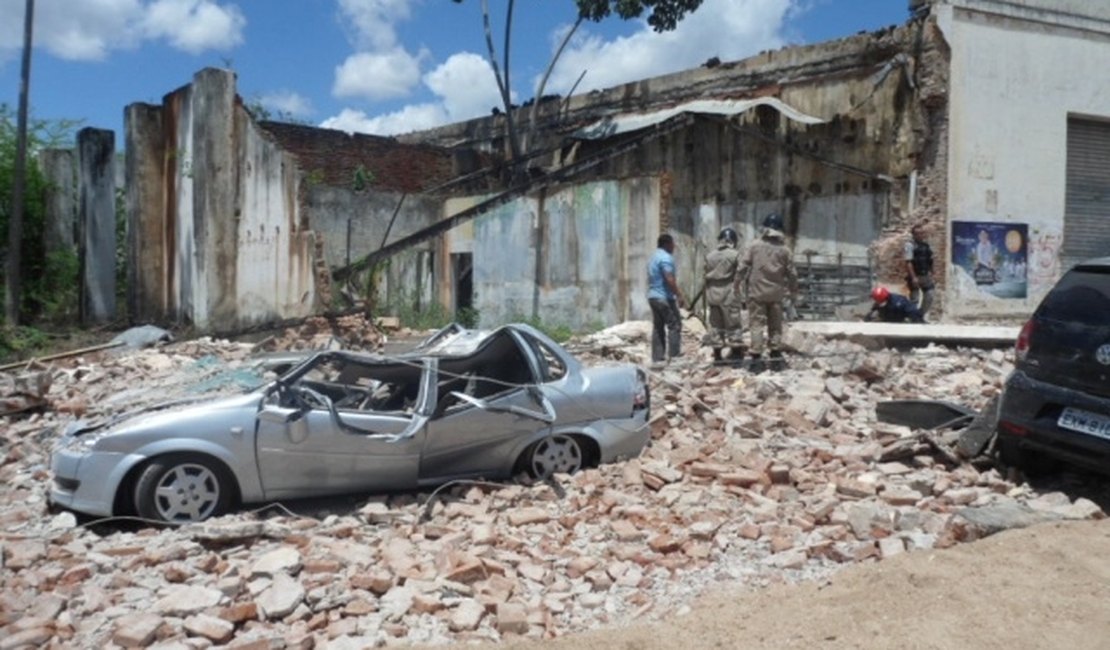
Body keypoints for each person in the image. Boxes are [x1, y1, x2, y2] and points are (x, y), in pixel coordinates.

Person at [737, 214, 797, 373]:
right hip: (776, 294)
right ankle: (776, 357)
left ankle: (756, 360)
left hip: (756, 293)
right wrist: (793, 292)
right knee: (775, 326)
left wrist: (737, 285)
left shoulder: (754, 246)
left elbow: (742, 267)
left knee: (756, 325)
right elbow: (792, 274)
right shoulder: (785, 250)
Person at [703, 226, 744, 360]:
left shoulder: (710, 256)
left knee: (716, 324)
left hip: (712, 292)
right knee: (733, 323)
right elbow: (741, 273)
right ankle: (736, 354)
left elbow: (704, 273)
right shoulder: (735, 254)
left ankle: (718, 355)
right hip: (728, 291)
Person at [647, 233, 686, 365]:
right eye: (672, 244)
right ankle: (674, 357)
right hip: (664, 297)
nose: (674, 247)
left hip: (653, 296)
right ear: (667, 244)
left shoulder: (653, 257)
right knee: (674, 325)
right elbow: (669, 278)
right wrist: (679, 295)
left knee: (658, 327)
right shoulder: (665, 258)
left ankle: (657, 357)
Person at [904, 224, 935, 316]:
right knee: (915, 299)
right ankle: (912, 318)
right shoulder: (910, 245)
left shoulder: (926, 245)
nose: (920, 235)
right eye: (917, 234)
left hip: (925, 276)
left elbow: (930, 259)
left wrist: (932, 272)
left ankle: (920, 316)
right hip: (915, 276)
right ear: (913, 235)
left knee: (930, 295)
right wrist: (913, 277)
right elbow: (908, 262)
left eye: (922, 233)